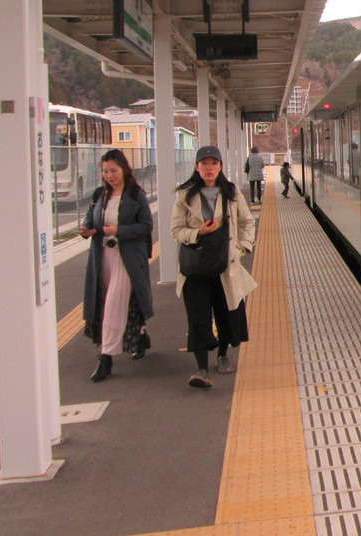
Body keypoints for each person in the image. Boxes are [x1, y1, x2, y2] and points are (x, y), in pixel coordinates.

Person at [172, 145, 256, 389]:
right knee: (198, 316)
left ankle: (222, 355)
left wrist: (243, 247)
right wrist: (198, 232)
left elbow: (246, 222)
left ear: (220, 167)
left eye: (214, 163)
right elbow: (176, 230)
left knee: (225, 313)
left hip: (224, 264)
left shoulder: (230, 192)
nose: (209, 168)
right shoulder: (184, 194)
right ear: (196, 167)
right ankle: (201, 368)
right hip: (196, 266)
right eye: (204, 163)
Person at [80, 149, 155, 382]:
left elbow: (146, 225)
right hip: (102, 257)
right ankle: (140, 336)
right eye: (105, 171)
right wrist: (86, 229)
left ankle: (106, 357)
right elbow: (89, 219)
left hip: (127, 258)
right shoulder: (98, 195)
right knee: (108, 302)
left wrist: (120, 231)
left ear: (124, 169)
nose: (109, 175)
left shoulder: (136, 195)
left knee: (113, 305)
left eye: (113, 170)